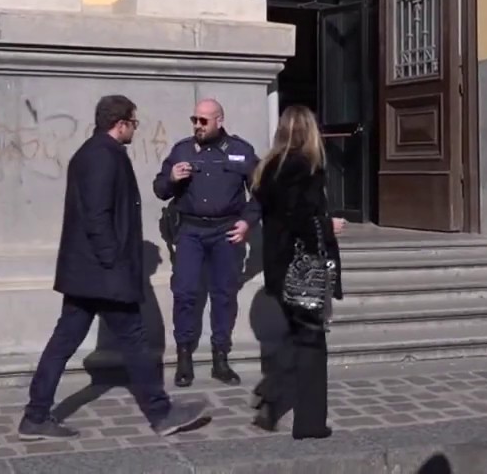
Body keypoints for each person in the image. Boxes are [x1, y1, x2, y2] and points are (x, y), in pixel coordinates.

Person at [18, 95, 207, 441]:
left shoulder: (95, 152)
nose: (135, 129)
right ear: (120, 124)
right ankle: (160, 412)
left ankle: (35, 416)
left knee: (64, 341)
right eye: (134, 123)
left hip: (87, 273)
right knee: (134, 340)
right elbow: (97, 215)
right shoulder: (102, 156)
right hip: (103, 273)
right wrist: (113, 261)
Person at [247, 105, 345, 440]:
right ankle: (310, 423)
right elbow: (299, 217)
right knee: (312, 343)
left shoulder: (269, 167)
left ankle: (272, 399)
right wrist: (328, 226)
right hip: (302, 269)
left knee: (296, 337)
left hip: (279, 267)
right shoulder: (304, 168)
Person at [153, 98, 260, 387]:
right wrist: (172, 178)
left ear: (219, 121)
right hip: (190, 231)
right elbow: (160, 189)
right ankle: (184, 358)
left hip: (226, 231)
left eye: (203, 120)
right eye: (194, 120)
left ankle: (220, 358)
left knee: (223, 295)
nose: (197, 125)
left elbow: (261, 192)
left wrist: (247, 222)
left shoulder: (240, 151)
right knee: (185, 293)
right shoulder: (182, 150)